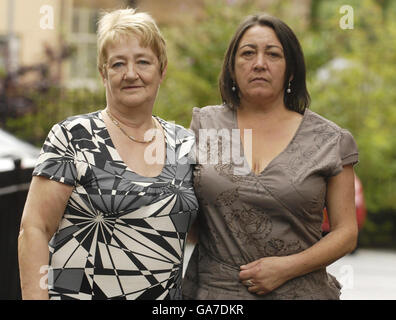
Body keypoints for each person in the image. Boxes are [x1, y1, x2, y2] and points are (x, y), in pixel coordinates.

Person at [18, 8, 198, 300]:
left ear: (162, 70)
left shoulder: (185, 145)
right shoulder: (73, 137)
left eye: (143, 62)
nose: (131, 74)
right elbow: (34, 228)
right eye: (117, 64)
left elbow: (203, 231)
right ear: (103, 73)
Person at [182, 13, 358, 300]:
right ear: (232, 67)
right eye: (248, 53)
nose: (259, 63)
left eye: (273, 54)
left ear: (291, 71)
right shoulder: (205, 126)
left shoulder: (330, 140)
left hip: (300, 292)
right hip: (215, 294)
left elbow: (346, 233)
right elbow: (183, 210)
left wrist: (286, 268)